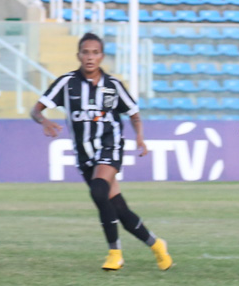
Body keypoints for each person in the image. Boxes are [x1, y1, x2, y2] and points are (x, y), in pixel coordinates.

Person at [30, 32, 173, 272]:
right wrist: (43, 120)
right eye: (86, 52)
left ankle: (114, 253)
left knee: (98, 190)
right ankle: (157, 245)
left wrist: (139, 137)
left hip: (111, 145)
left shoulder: (112, 86)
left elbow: (134, 114)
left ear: (102, 56)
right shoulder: (67, 83)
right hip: (85, 155)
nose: (90, 57)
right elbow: (36, 109)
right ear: (78, 55)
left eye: (95, 53)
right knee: (118, 209)